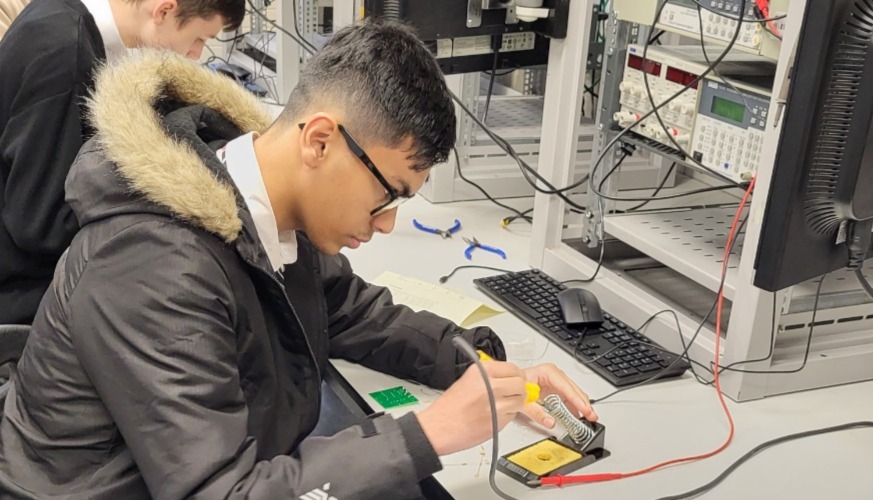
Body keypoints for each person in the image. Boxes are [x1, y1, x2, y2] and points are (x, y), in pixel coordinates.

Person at [0, 20, 598, 498]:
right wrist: (429, 433)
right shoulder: (154, 264)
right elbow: (220, 490)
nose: (387, 222)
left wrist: (483, 366)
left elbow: (354, 313)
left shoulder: (260, 203)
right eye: (387, 193)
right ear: (319, 141)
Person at [0, 0, 245, 324]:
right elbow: (39, 223)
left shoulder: (66, 22)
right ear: (163, 11)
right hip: (22, 291)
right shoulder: (63, 51)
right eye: (200, 39)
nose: (196, 54)